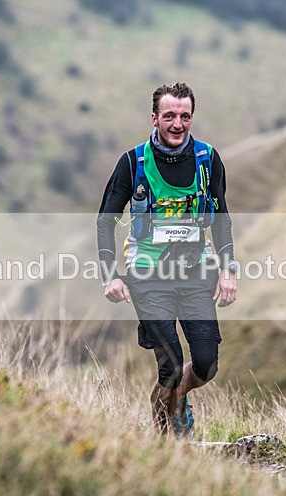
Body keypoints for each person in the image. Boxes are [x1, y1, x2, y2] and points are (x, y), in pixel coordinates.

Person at [96, 82, 238, 437]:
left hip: (196, 273)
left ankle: (173, 397)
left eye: (185, 116)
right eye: (170, 116)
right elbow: (105, 220)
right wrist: (109, 276)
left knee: (205, 365)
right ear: (155, 118)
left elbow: (221, 218)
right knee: (171, 367)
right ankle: (167, 439)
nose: (177, 124)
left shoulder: (207, 159)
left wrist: (228, 271)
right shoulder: (133, 163)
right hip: (148, 276)